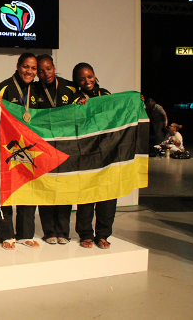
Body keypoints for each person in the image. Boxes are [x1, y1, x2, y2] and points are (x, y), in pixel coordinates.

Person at [0, 53, 39, 250]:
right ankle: (6, 234)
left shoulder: (38, 90)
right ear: (18, 66)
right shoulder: (2, 88)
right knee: (3, 188)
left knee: (27, 188)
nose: (29, 71)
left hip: (29, 148)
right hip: (2, 148)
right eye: (26, 66)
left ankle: (25, 234)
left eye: (33, 68)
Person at [34, 54, 79, 245]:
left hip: (65, 146)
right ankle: (49, 231)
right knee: (46, 188)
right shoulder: (34, 90)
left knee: (64, 189)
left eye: (49, 69)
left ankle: (63, 231)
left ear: (54, 67)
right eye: (41, 71)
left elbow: (87, 103)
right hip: (44, 148)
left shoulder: (70, 88)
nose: (46, 73)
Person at [72, 62, 115, 250]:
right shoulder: (75, 98)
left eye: (89, 76)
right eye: (82, 78)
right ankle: (86, 234)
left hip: (107, 153)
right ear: (76, 81)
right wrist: (78, 107)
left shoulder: (105, 95)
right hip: (86, 154)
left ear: (95, 76)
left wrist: (135, 101)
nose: (87, 81)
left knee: (108, 195)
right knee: (86, 196)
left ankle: (103, 235)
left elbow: (118, 112)